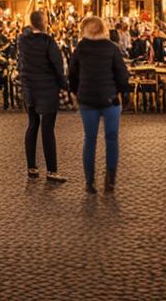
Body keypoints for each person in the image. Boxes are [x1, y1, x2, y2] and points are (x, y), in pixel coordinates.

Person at [69, 16, 131, 194]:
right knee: (111, 139)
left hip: (87, 100)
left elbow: (72, 74)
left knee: (90, 139)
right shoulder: (112, 48)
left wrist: (76, 92)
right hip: (110, 99)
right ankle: (110, 180)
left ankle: (90, 182)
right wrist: (124, 94)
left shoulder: (80, 48)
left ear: (85, 30)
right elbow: (122, 74)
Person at [18, 10, 67, 183]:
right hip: (47, 88)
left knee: (32, 125)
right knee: (47, 129)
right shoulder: (48, 42)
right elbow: (57, 65)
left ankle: (32, 168)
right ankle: (52, 171)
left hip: (30, 88)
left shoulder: (23, 41)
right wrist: (64, 85)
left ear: (31, 23)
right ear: (44, 22)